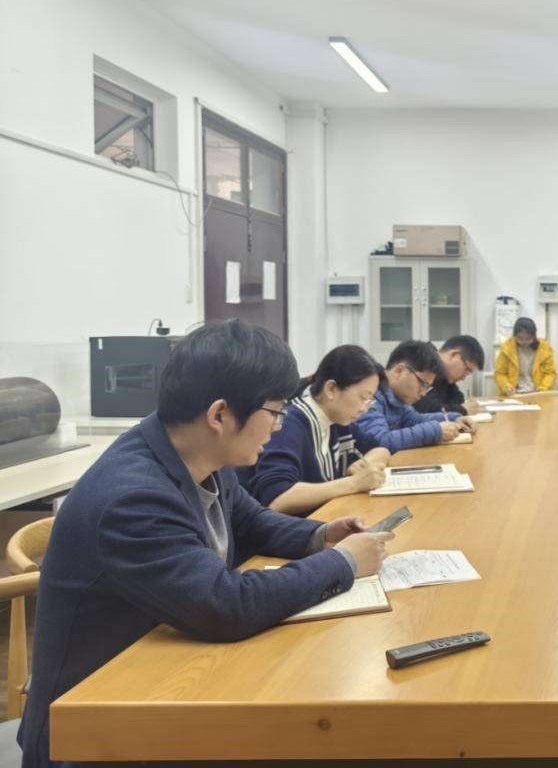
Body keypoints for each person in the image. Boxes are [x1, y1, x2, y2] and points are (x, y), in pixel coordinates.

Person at [18, 321, 391, 768]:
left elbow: (251, 520)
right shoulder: (135, 498)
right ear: (219, 415)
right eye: (275, 413)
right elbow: (224, 605)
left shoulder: (193, 452)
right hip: (92, 732)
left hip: (163, 679)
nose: (278, 426)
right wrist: (342, 563)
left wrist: (320, 536)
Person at [240, 345, 390, 515]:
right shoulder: (289, 425)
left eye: (370, 401)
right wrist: (354, 483)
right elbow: (278, 500)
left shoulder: (339, 420)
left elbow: (381, 449)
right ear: (331, 389)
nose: (364, 409)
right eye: (363, 398)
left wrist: (365, 465)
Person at [353, 340, 476, 452]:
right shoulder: (370, 395)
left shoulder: (397, 398)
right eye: (422, 384)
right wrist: (435, 431)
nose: (423, 393)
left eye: (427, 387)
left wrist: (454, 418)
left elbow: (415, 419)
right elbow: (379, 441)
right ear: (399, 371)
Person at [413, 335, 485, 415]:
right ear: (453, 355)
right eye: (467, 369)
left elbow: (458, 398)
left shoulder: (446, 376)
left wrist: (449, 407)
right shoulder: (423, 361)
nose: (464, 378)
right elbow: (427, 409)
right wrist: (463, 410)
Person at [494, 317, 557, 396]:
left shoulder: (544, 349)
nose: (524, 342)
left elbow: (550, 373)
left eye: (528, 338)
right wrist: (506, 387)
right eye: (520, 338)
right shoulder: (507, 349)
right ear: (515, 335)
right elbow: (500, 373)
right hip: (514, 394)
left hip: (537, 393)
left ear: (534, 336)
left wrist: (543, 387)